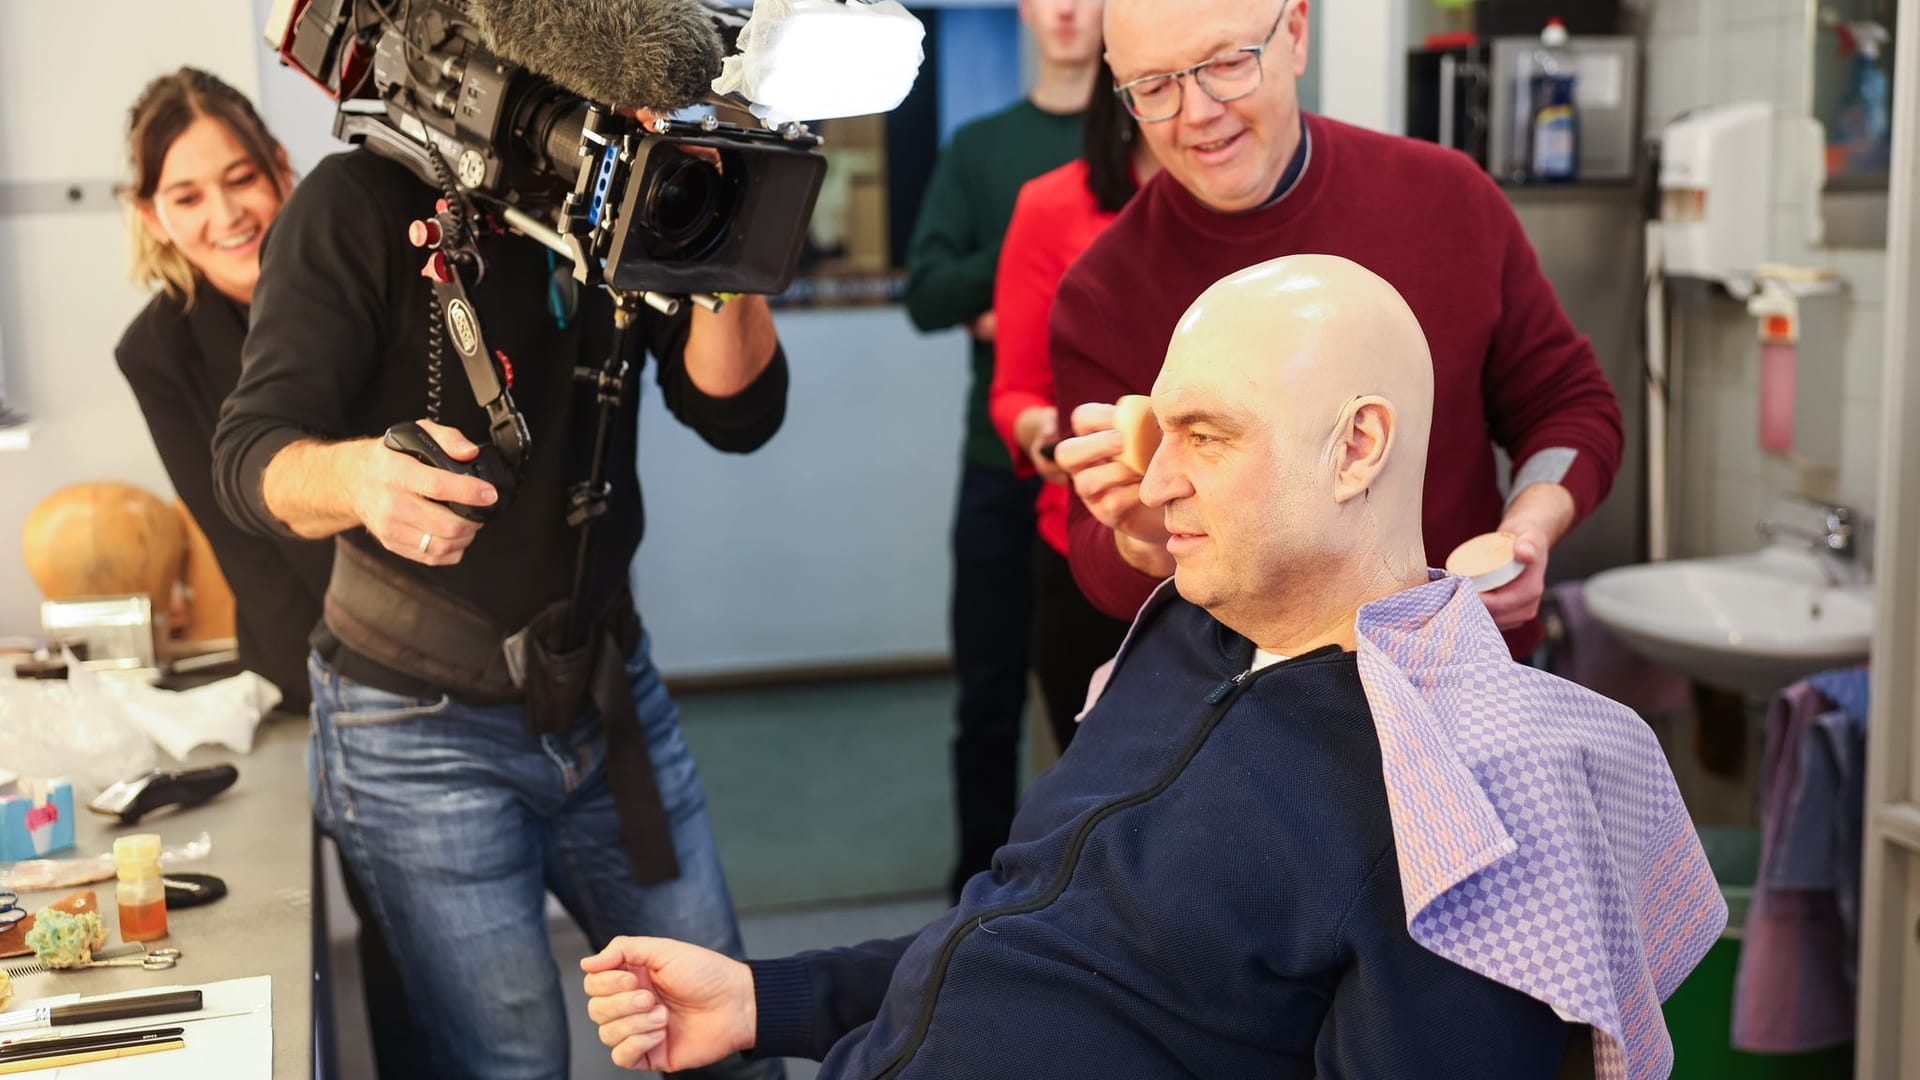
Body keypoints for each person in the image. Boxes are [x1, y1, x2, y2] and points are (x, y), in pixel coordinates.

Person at [578, 256, 1723, 1080]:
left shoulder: (1453, 809)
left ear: (1359, 448)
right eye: (1156, 432)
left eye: (1207, 437)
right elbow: (1020, 932)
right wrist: (765, 998)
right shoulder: (1176, 645)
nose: (1153, 480)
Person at [208, 113, 787, 1076]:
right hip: (416, 734)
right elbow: (248, 454)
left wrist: (727, 235)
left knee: (722, 1032)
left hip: (605, 695)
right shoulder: (354, 202)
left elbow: (737, 413)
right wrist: (358, 479)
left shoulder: (633, 188)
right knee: (509, 1060)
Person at [1052, 0, 1624, 661]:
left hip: (1458, 660)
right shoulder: (1104, 291)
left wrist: (1528, 527)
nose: (1197, 112)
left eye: (1230, 64)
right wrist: (1144, 540)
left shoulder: (1447, 200)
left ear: (1294, 35)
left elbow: (1569, 407)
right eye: (1154, 86)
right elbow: (1099, 568)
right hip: (1247, 702)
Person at [110, 67, 423, 1079]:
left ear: (282, 171)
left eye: (240, 178)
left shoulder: (359, 272)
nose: (223, 213)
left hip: (462, 630)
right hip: (316, 660)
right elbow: (250, 542)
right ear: (150, 215)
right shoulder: (159, 350)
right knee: (400, 938)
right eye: (186, 195)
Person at [903, 0, 1106, 899]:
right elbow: (927, 293)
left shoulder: (1139, 138)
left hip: (1117, 473)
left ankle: (1096, 892)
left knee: (1114, 703)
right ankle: (974, 892)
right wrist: (1034, 260)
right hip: (1000, 465)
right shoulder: (982, 148)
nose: (1066, 11)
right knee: (985, 697)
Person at [987, 55, 1157, 754]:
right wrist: (1045, 437)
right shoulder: (1053, 205)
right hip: (1094, 542)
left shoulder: (1255, 202)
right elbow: (1016, 389)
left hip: (1244, 554)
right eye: (1157, 79)